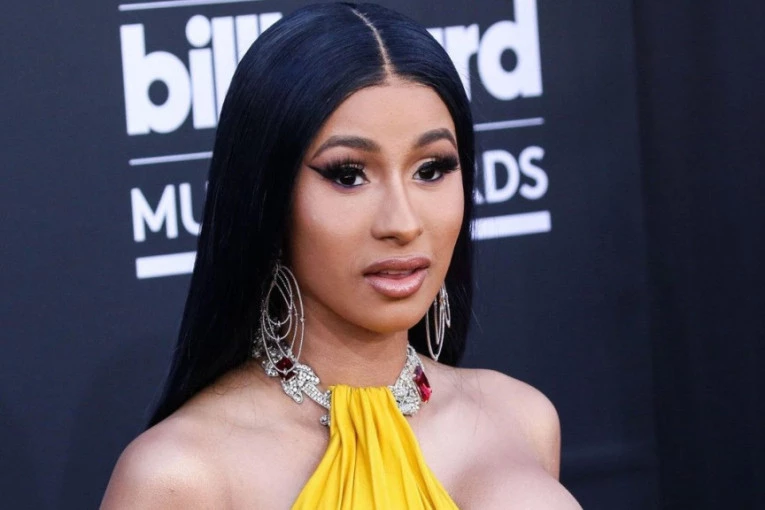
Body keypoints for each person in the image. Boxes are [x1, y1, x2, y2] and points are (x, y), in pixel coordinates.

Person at [101, 2, 581, 508]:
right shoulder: (179, 476)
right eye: (348, 175)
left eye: (431, 169)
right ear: (266, 196)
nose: (402, 223)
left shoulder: (524, 419)